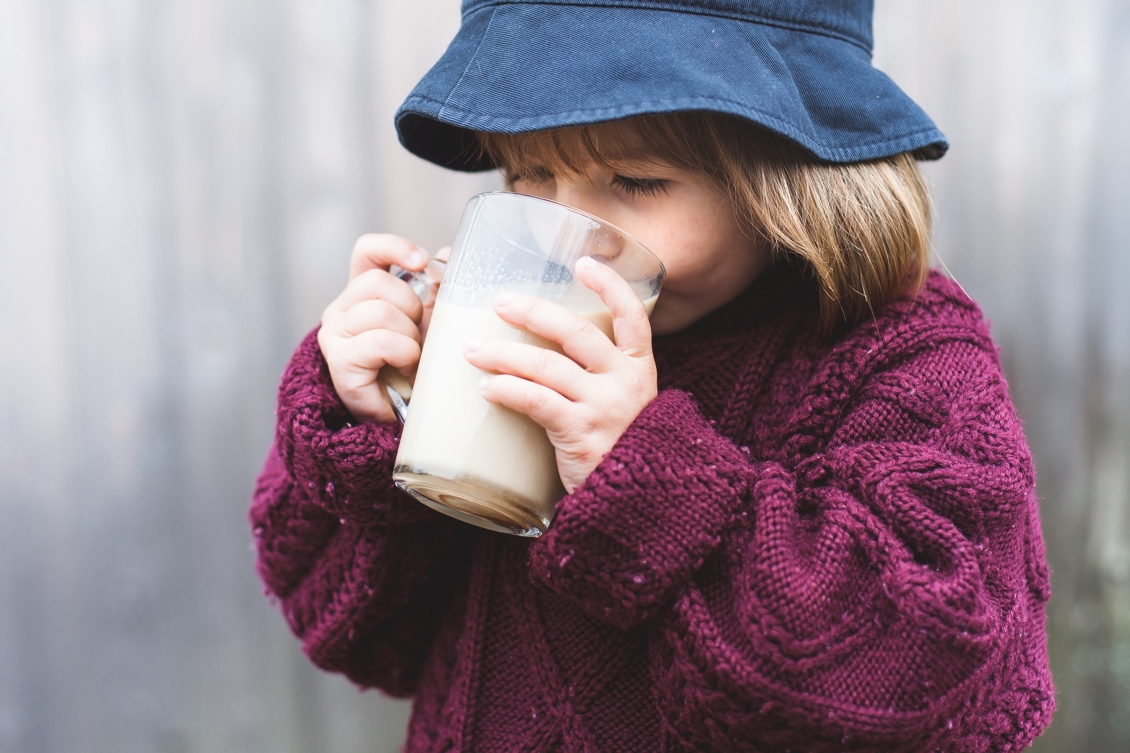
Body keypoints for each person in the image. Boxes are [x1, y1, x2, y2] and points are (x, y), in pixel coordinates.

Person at [250, 1, 1054, 750]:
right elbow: (353, 633)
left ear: (787, 176)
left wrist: (647, 479)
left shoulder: (898, 358)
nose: (570, 231)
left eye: (634, 181)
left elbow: (944, 658)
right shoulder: (500, 322)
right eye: (529, 172)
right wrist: (375, 423)